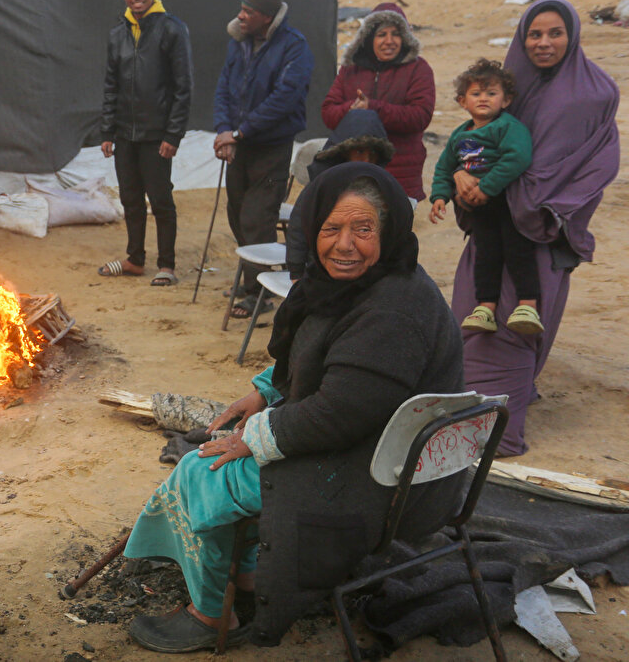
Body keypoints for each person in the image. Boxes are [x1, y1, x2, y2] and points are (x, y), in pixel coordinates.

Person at [122, 163, 464, 653]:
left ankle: (210, 612)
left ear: (388, 233)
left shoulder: (394, 308)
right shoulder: (354, 283)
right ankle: (252, 576)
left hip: (372, 476)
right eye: (331, 229)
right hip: (381, 450)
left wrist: (255, 437)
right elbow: (324, 351)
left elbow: (340, 412)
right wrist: (265, 391)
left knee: (203, 472)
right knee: (217, 451)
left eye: (363, 229)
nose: (344, 244)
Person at [449, 0, 619, 457]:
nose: (543, 43)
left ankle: (496, 436)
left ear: (573, 35)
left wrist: (528, 198)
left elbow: (595, 165)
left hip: (539, 228)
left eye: (555, 33)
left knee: (513, 323)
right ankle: (478, 413)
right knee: (473, 310)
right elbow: (473, 139)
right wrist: (463, 175)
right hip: (490, 222)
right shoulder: (507, 84)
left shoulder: (593, 93)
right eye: (534, 34)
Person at [213, 0, 314, 316]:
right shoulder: (238, 42)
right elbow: (224, 87)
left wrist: (239, 133)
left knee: (258, 217)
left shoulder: (293, 47)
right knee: (237, 212)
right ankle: (251, 280)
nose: (240, 16)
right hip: (240, 143)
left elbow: (283, 100)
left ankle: (260, 294)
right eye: (241, 8)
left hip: (270, 145)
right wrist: (224, 129)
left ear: (267, 16)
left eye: (249, 11)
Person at [96, 0, 193, 287]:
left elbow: (183, 87)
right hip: (125, 133)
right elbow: (111, 85)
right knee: (130, 199)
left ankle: (167, 265)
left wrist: (173, 134)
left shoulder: (172, 30)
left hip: (157, 136)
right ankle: (135, 259)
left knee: (161, 200)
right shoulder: (115, 33)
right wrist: (107, 130)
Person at [429, 59, 538, 335]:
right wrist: (440, 197)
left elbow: (517, 157)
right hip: (479, 210)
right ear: (462, 101)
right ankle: (486, 308)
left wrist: (486, 187)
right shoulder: (459, 135)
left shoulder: (507, 127)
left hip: (507, 203)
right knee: (486, 255)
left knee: (518, 251)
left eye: (492, 93)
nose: (483, 99)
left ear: (506, 99)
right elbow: (443, 167)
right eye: (476, 93)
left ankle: (528, 305)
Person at [321, 3, 435, 202]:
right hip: (355, 170)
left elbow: (420, 116)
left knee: (394, 229)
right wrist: (352, 110)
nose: (389, 41)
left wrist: (373, 109)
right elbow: (328, 112)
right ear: (369, 38)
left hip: (400, 172)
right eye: (382, 34)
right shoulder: (351, 70)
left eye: (396, 34)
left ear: (406, 37)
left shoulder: (418, 69)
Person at [285, 108, 393, 280]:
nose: (366, 160)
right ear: (343, 151)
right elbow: (298, 227)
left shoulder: (383, 191)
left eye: (371, 154)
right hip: (320, 272)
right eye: (359, 152)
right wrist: (296, 271)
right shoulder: (320, 186)